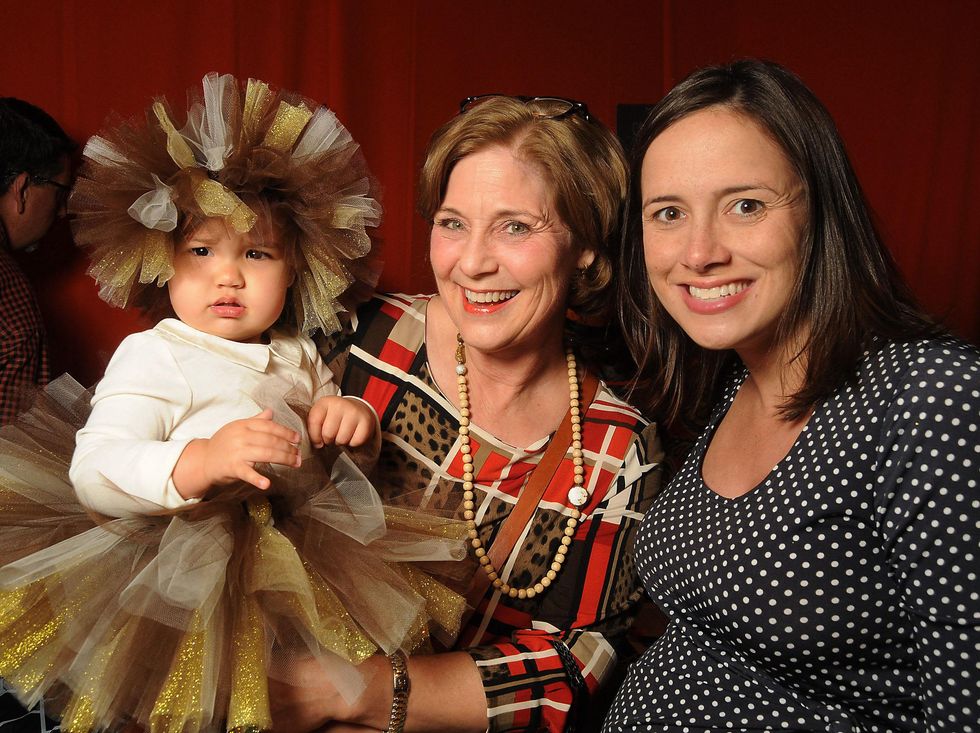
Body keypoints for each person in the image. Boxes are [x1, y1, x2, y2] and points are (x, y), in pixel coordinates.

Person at [0, 74, 467, 733]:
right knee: (189, 708)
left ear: (296, 268)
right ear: (164, 259)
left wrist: (352, 430)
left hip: (298, 557)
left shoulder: (299, 353)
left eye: (256, 252)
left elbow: (324, 463)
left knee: (285, 703)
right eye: (201, 251)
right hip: (175, 569)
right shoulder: (157, 353)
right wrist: (197, 460)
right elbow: (95, 466)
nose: (229, 274)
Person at [269, 94, 664, 733]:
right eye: (453, 223)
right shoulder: (355, 338)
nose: (473, 262)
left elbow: (578, 663)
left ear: (586, 247)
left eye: (516, 226)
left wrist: (353, 691)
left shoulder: (619, 449)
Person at [604, 59, 980, 732]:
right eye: (668, 213)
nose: (698, 252)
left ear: (821, 213)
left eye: (745, 205)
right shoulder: (731, 390)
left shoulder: (929, 398)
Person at [0, 97, 75, 426]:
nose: (63, 212)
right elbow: (13, 461)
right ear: (21, 189)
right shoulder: (11, 298)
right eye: (60, 193)